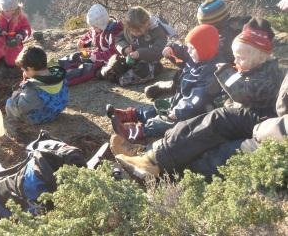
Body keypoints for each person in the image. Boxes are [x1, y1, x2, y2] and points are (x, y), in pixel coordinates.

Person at [111, 18, 284, 180]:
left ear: (260, 57)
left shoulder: (269, 76)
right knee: (197, 127)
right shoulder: (252, 68)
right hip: (255, 121)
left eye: (241, 58)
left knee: (214, 122)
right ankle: (149, 156)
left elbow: (243, 93)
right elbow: (187, 57)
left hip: (257, 120)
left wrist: (225, 73)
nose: (236, 61)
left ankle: (154, 162)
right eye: (235, 56)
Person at [107, 24, 221, 142]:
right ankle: (131, 115)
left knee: (165, 121)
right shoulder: (196, 56)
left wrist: (178, 112)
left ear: (204, 49)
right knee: (160, 105)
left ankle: (136, 131)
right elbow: (182, 49)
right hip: (181, 97)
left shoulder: (210, 73)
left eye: (192, 48)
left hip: (191, 112)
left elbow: (196, 100)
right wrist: (171, 47)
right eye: (189, 47)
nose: (189, 51)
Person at [145, 0, 249, 99]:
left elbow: (195, 58)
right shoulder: (238, 27)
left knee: (191, 70)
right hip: (235, 75)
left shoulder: (218, 40)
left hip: (218, 78)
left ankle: (173, 87)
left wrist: (173, 49)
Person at [102, 6, 168, 86]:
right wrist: (124, 48)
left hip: (150, 61)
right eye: (132, 31)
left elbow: (158, 51)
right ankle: (111, 73)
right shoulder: (129, 29)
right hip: (131, 59)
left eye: (138, 31)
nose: (135, 34)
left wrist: (139, 53)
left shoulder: (157, 31)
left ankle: (121, 79)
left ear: (147, 23)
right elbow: (118, 39)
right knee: (116, 60)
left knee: (144, 70)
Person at [58, 4, 123, 85]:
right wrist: (83, 42)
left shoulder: (113, 32)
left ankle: (65, 79)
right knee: (76, 56)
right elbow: (90, 36)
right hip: (95, 54)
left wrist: (96, 57)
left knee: (88, 69)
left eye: (94, 27)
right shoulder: (96, 29)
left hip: (104, 61)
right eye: (92, 27)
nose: (93, 29)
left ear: (102, 25)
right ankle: (59, 66)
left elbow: (113, 53)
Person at [5, 46, 68, 125]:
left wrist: (16, 94)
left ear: (30, 68)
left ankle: (13, 121)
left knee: (10, 102)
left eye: (24, 70)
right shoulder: (59, 74)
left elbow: (23, 107)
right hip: (58, 109)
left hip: (41, 118)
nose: (23, 72)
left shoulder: (33, 87)